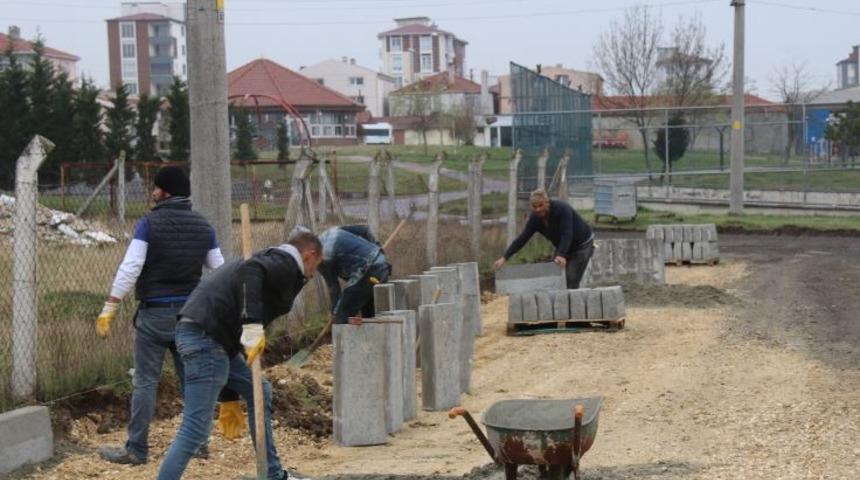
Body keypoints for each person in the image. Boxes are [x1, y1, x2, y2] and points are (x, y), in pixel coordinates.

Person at [156, 231, 323, 480]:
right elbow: (250, 270)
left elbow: (228, 325)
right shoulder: (284, 264)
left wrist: (229, 396)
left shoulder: (276, 260)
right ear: (310, 255)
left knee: (259, 390)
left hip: (209, 336)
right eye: (317, 265)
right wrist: (253, 324)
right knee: (195, 429)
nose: (314, 273)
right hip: (205, 339)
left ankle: (272, 474)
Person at [96, 166, 224, 465]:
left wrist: (111, 306)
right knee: (192, 381)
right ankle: (198, 444)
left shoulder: (149, 224)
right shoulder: (203, 226)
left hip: (154, 317)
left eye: (155, 188)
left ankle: (137, 449)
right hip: (191, 318)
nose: (152, 192)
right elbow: (219, 269)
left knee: (145, 382)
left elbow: (131, 267)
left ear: (164, 192)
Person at [494, 189, 594, 289]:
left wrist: (561, 254)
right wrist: (505, 257)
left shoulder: (562, 209)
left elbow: (567, 234)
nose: (537, 209)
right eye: (534, 206)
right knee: (555, 276)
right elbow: (522, 239)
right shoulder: (535, 219)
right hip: (564, 245)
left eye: (540, 205)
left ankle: (570, 302)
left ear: (547, 203)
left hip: (582, 244)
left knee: (571, 277)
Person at [317, 224, 391, 324]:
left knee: (342, 316)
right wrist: (377, 248)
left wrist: (336, 314)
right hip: (382, 267)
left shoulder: (321, 258)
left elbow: (334, 289)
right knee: (369, 318)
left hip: (367, 271)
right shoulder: (334, 232)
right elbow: (365, 230)